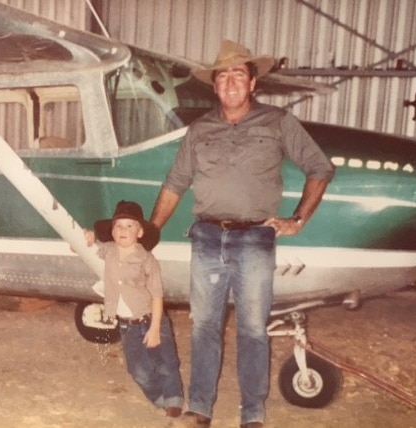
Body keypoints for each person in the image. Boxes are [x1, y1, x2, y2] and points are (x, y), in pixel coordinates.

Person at [150, 40, 335, 428]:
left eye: (239, 75)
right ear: (214, 86)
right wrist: (151, 231)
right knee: (203, 327)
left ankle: (252, 414)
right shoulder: (200, 130)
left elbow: (320, 168)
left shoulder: (278, 122)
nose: (231, 83)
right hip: (206, 239)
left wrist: (297, 219)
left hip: (255, 240)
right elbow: (175, 183)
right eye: (223, 77)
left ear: (253, 83)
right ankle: (199, 410)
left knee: (253, 329)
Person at [85, 200, 184, 420]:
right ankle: (159, 398)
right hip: (127, 326)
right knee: (138, 370)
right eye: (118, 226)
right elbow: (83, 247)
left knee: (166, 362)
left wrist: (156, 328)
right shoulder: (108, 250)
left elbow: (157, 295)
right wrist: (87, 237)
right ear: (112, 231)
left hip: (151, 319)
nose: (123, 230)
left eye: (130, 226)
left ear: (140, 232)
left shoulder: (147, 260)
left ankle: (174, 399)